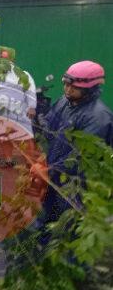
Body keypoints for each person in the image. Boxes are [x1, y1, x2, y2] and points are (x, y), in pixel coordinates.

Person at [30, 61, 113, 241]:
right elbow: (49, 134)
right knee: (42, 226)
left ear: (91, 88)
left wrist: (47, 170)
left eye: (73, 86)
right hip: (53, 181)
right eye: (66, 84)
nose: (67, 89)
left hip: (75, 189)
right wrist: (41, 159)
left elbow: (80, 158)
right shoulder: (64, 103)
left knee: (67, 235)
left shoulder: (99, 118)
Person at [0, 50, 37, 140]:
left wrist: (31, 106)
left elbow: (30, 90)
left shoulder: (23, 75)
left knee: (23, 142)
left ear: (12, 61)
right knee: (2, 143)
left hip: (18, 116)